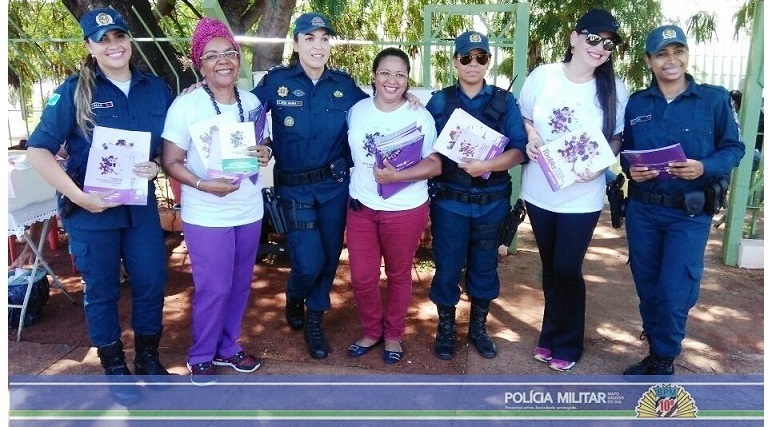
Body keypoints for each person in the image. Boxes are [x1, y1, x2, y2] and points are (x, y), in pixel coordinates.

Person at [25, 8, 172, 404]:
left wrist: (156, 165)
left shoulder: (156, 88)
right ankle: (115, 367)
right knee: (103, 290)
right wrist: (79, 197)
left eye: (118, 36)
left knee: (151, 282)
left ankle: (148, 357)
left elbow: (167, 148)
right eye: (102, 40)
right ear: (89, 46)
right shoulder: (75, 91)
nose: (113, 46)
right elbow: (37, 151)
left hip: (139, 207)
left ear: (129, 40)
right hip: (91, 211)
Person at [621, 25, 744, 375]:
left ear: (687, 55)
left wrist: (703, 166)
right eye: (661, 54)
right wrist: (633, 170)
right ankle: (655, 348)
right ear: (649, 61)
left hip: (688, 213)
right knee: (647, 284)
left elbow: (734, 149)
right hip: (643, 210)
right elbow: (628, 153)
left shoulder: (713, 100)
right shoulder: (637, 103)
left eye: (678, 51)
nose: (671, 60)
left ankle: (665, 358)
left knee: (676, 288)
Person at [250, 12, 370, 360]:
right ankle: (294, 295)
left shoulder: (343, 84)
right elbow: (242, 110)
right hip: (294, 188)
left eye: (324, 38)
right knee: (308, 260)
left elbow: (377, 109)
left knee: (329, 258)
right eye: (310, 38)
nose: (318, 45)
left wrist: (408, 99)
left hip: (333, 186)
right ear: (296, 43)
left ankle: (315, 318)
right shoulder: (277, 81)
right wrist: (264, 143)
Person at [518, 9, 628, 372]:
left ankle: (569, 343)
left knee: (567, 267)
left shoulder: (615, 89)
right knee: (551, 267)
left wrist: (600, 165)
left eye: (609, 44)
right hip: (540, 189)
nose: (600, 48)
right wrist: (531, 137)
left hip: (583, 195)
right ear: (574, 38)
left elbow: (617, 137)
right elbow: (524, 117)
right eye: (594, 38)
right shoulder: (543, 75)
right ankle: (550, 335)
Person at [161, 17, 270, 385]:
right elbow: (171, 160)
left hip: (248, 208)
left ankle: (228, 346)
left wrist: (265, 151)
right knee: (214, 287)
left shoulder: (251, 101)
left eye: (229, 53)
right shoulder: (187, 105)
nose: (223, 60)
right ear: (200, 64)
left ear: (238, 58)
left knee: (240, 284)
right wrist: (202, 184)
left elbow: (263, 142)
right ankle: (201, 354)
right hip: (207, 212)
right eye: (212, 55)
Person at [425, 31, 528, 361]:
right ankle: (446, 328)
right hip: (449, 202)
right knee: (447, 267)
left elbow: (519, 151)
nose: (473, 63)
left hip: (491, 203)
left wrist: (486, 165)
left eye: (481, 57)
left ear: (488, 62)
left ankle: (478, 328)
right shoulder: (439, 101)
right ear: (455, 61)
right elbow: (424, 145)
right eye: (466, 57)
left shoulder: (505, 101)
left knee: (484, 267)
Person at [344, 47, 441, 365]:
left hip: (405, 209)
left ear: (408, 80)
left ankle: (394, 335)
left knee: (399, 274)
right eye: (385, 72)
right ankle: (372, 331)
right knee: (362, 276)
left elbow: (435, 164)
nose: (392, 80)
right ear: (374, 76)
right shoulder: (356, 110)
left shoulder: (419, 115)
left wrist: (397, 176)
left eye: (400, 74)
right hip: (361, 207)